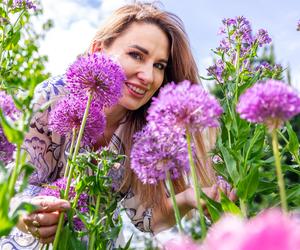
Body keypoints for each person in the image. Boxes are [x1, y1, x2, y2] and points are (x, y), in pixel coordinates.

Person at [0, 2, 235, 249]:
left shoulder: (146, 131)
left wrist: (190, 197)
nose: (148, 76)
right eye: (136, 55)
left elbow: (146, 219)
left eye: (159, 66)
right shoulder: (56, 95)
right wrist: (24, 212)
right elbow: (17, 179)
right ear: (98, 50)